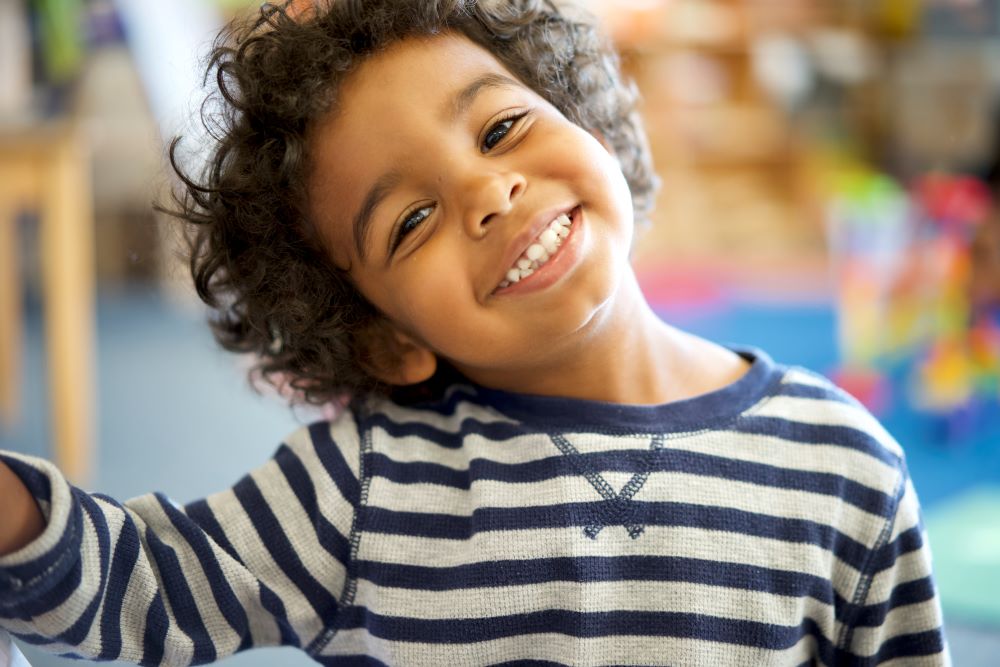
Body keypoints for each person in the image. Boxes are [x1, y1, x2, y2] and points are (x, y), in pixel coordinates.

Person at [0, 0, 949, 664]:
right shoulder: (363, 485)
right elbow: (148, 588)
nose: (490, 194)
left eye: (499, 131)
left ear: (588, 126)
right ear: (384, 336)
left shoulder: (846, 465)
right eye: (410, 222)